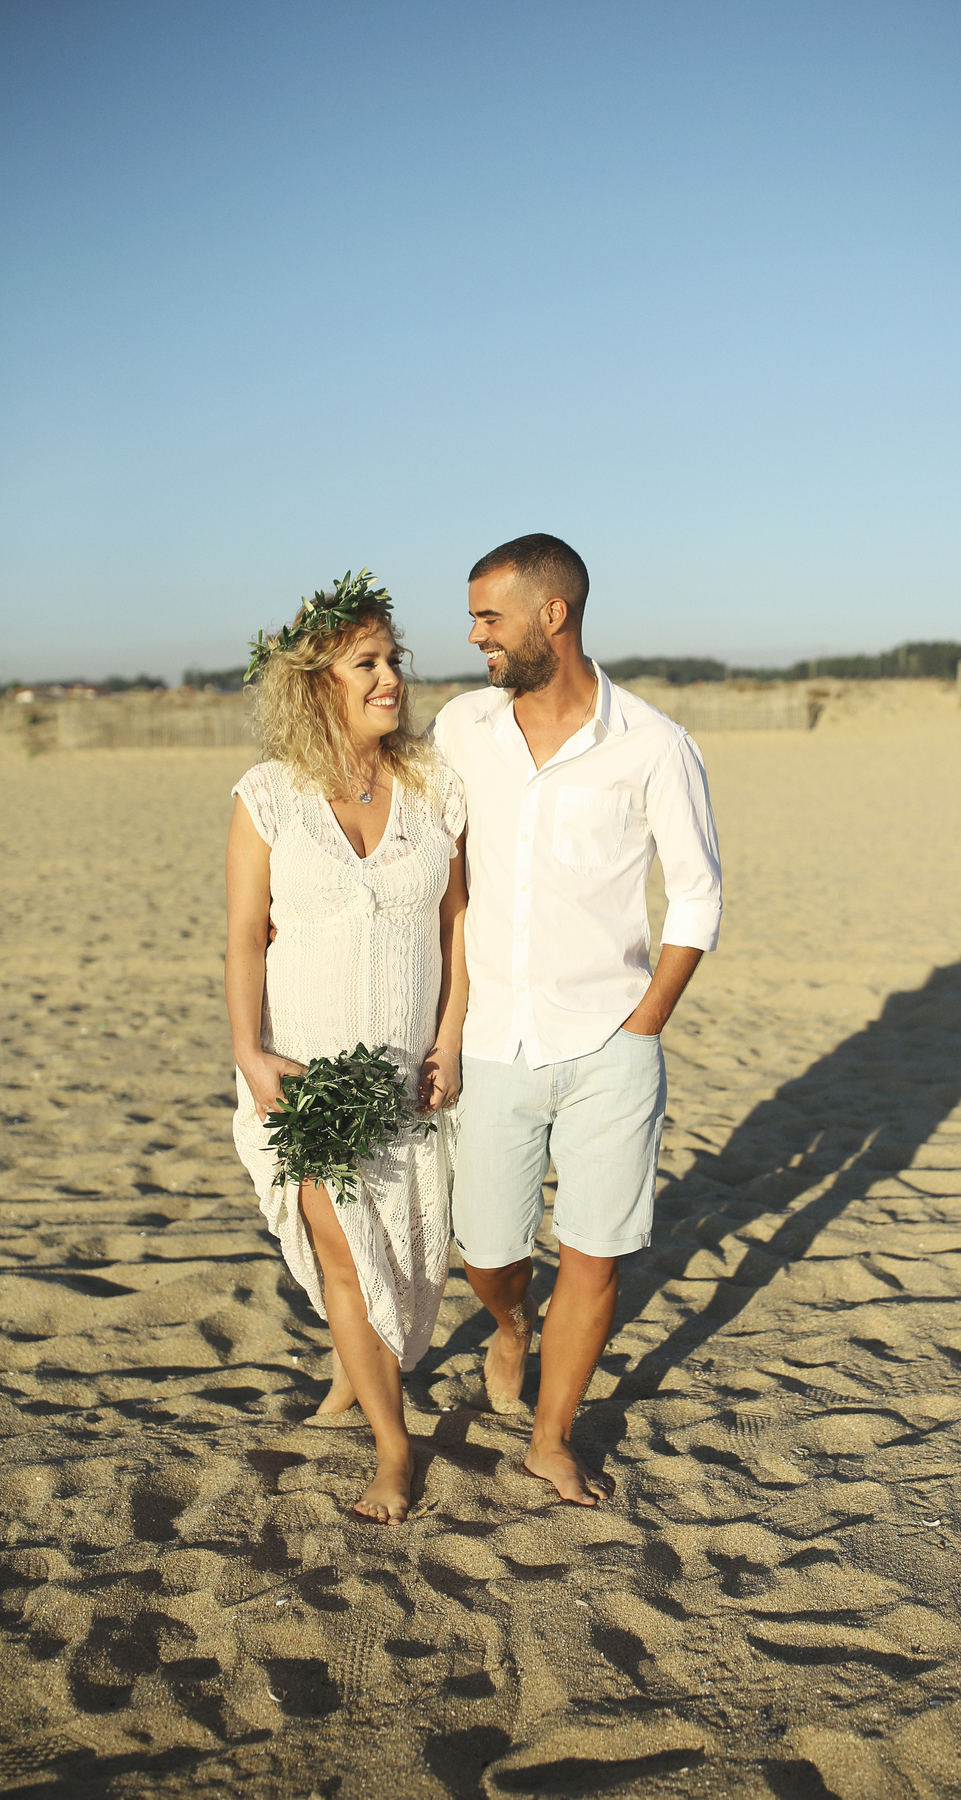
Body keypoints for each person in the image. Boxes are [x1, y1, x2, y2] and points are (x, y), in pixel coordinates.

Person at [432, 534, 721, 1505]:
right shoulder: (463, 729)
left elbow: (698, 898)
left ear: (553, 614)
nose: (475, 636)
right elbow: (430, 861)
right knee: (489, 1255)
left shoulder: (653, 744)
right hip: (495, 1040)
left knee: (594, 1256)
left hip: (611, 1043)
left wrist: (644, 1023)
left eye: (489, 617)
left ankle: (552, 1437)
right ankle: (512, 1328)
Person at [225, 572, 468, 1525]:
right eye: (365, 662)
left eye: (392, 659)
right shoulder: (268, 798)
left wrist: (447, 1037)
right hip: (307, 1069)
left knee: (402, 1256)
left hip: (410, 1070)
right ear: (315, 681)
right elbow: (247, 934)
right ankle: (395, 1446)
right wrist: (250, 1052)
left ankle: (346, 1378)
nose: (389, 677)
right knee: (342, 1251)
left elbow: (458, 927)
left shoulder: (433, 786)